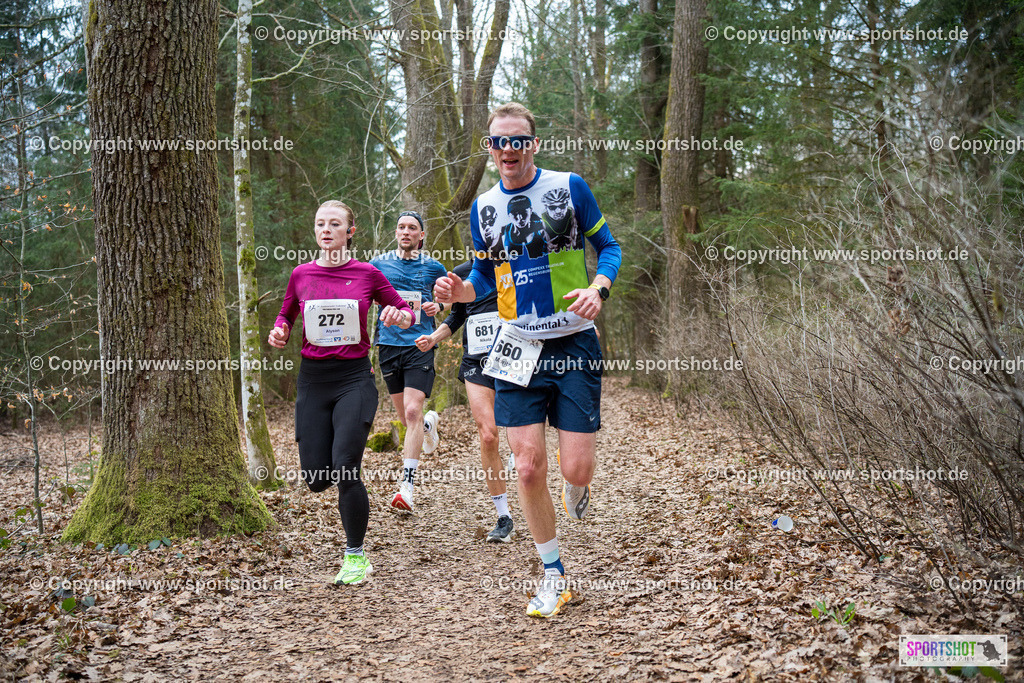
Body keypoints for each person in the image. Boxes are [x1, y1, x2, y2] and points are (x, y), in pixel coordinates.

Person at [435, 102, 621, 618]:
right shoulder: (484, 207)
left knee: (576, 467)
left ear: (533, 144)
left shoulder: (569, 187)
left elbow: (608, 247)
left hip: (574, 341)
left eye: (518, 140)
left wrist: (598, 287)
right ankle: (553, 574)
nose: (508, 150)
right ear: (489, 148)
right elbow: (481, 278)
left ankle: (576, 486)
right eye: (499, 142)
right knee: (527, 466)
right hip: (516, 347)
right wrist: (458, 289)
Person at [269, 200, 414, 586]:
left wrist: (401, 316)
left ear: (351, 231)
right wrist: (280, 331)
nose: (326, 229)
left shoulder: (367, 273)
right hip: (313, 381)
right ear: (315, 231)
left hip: (354, 379)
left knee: (346, 465)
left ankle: (355, 556)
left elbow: (404, 310)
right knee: (318, 478)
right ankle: (342, 500)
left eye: (335, 224)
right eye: (320, 224)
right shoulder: (301, 274)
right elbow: (286, 315)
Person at [415, 261, 514, 543]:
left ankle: (519, 450)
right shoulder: (464, 272)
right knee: (488, 434)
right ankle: (503, 516)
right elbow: (457, 316)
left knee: (520, 433)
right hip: (476, 362)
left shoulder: (518, 264)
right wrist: (433, 337)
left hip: (515, 357)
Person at [370, 211, 448, 513]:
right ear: (396, 233)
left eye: (412, 228)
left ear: (421, 235)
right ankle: (430, 425)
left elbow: (452, 299)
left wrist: (439, 304)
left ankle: (407, 486)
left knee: (413, 410)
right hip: (388, 346)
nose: (406, 232)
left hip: (421, 343)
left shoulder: (433, 267)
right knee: (407, 419)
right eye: (401, 227)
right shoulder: (378, 264)